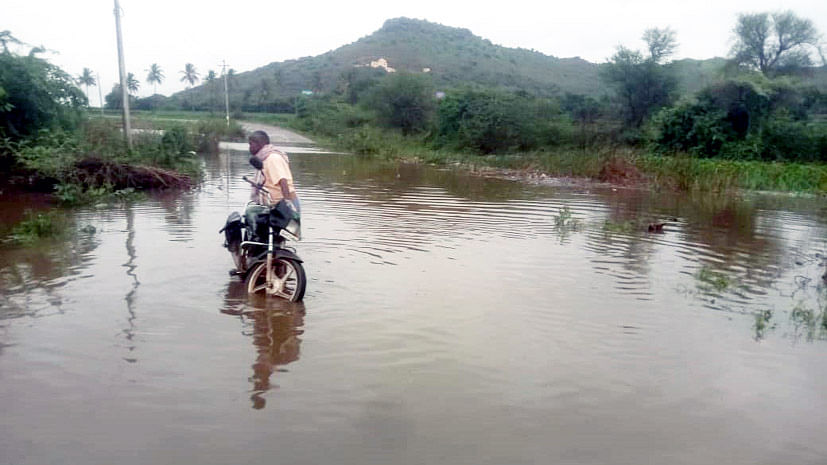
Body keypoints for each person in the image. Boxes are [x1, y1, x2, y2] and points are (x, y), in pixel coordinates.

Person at [248, 130, 300, 213]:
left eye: (251, 144)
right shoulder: (264, 158)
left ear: (259, 143)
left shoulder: (273, 158)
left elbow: (283, 181)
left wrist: (287, 205)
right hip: (273, 205)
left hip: (284, 205)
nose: (249, 148)